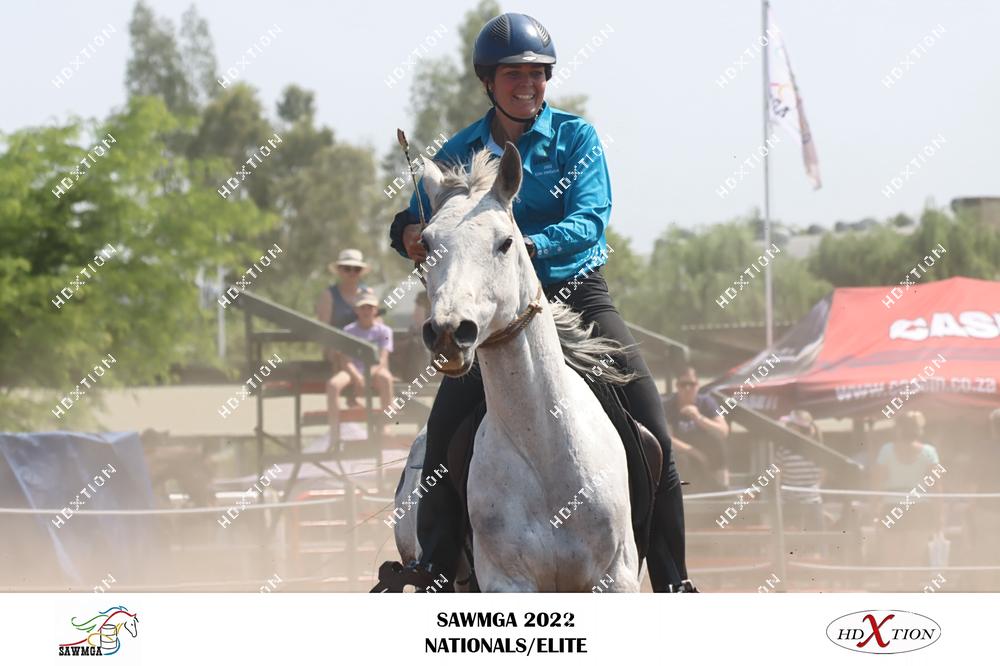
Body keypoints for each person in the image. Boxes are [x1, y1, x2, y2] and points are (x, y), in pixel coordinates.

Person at [387, 12, 694, 592]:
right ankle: (433, 566)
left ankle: (674, 579)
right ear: (488, 82)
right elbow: (419, 213)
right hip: (494, 313)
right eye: (513, 74)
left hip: (577, 297)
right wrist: (405, 232)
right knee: (442, 429)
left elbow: (590, 219)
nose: (527, 84)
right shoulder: (460, 149)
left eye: (538, 74)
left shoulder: (577, 138)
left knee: (653, 428)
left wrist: (527, 247)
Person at [872, 411, 944, 566]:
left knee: (890, 560)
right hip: (920, 508)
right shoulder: (929, 452)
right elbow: (936, 487)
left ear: (898, 429)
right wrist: (939, 515)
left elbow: (877, 484)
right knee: (914, 561)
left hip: (893, 507)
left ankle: (892, 582)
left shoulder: (886, 450)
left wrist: (875, 511)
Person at [326, 288, 394, 442]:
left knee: (386, 379)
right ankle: (334, 429)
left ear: (375, 310)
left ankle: (386, 425)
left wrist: (368, 375)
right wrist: (358, 377)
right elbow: (345, 360)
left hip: (376, 370)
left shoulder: (384, 331)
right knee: (333, 385)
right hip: (353, 370)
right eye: (362, 307)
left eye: (370, 307)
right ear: (356, 310)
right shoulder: (348, 330)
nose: (366, 311)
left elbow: (382, 359)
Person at [663, 367, 730, 491]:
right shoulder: (668, 406)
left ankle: (722, 487)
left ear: (698, 385)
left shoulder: (707, 403)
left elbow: (723, 432)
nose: (687, 388)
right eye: (683, 384)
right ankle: (682, 492)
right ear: (677, 386)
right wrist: (696, 453)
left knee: (718, 442)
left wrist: (698, 417)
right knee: (678, 459)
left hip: (705, 450)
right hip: (683, 452)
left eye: (691, 384)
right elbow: (668, 439)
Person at [775, 410, 826, 553]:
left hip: (801, 501)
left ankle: (815, 558)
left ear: (796, 429)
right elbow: (777, 471)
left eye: (790, 426)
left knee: (811, 541)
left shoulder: (787, 449)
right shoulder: (786, 449)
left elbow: (777, 473)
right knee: (802, 543)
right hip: (799, 500)